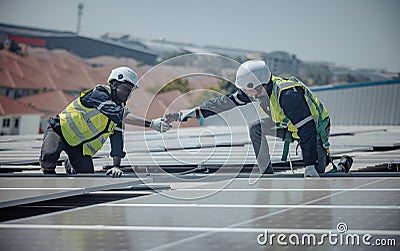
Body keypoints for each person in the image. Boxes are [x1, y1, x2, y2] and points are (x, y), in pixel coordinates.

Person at [170, 60, 335, 177]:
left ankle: (342, 164)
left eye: (245, 89)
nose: (243, 93)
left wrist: (309, 165)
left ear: (260, 87)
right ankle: (265, 172)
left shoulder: (288, 95)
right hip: (288, 126)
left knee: (317, 173)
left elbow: (307, 130)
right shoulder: (258, 90)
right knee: (256, 127)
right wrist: (196, 111)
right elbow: (225, 102)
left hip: (314, 129)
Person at [39, 66, 172, 178]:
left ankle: (70, 161)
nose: (128, 94)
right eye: (126, 89)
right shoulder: (98, 95)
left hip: (78, 147)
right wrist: (152, 124)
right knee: (48, 159)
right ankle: (48, 173)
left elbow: (117, 140)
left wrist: (116, 166)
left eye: (130, 91)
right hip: (59, 132)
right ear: (114, 84)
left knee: (87, 178)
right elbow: (118, 114)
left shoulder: (119, 112)